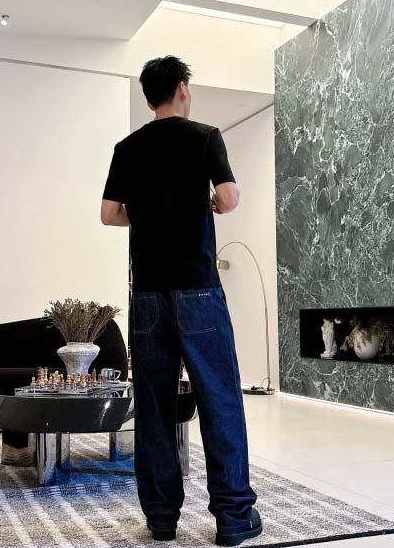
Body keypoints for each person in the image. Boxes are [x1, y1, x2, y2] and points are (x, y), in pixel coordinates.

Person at [101, 55, 262, 546]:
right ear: (182, 90)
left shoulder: (127, 148)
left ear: (149, 97)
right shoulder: (205, 136)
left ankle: (161, 518)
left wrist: (148, 214)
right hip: (199, 290)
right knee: (219, 399)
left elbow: (109, 214)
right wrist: (204, 204)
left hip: (148, 294)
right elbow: (229, 198)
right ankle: (233, 518)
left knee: (153, 405)